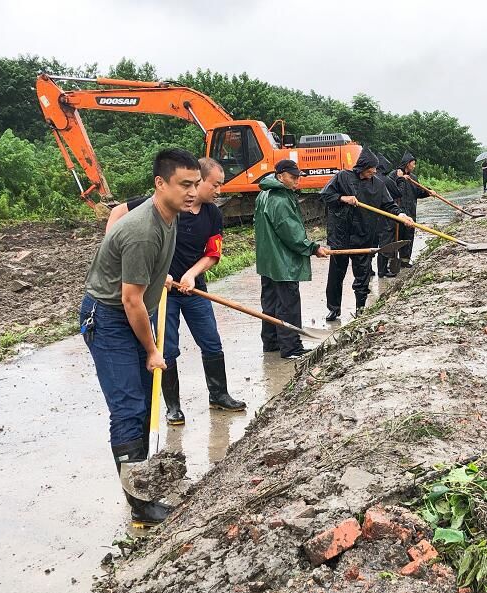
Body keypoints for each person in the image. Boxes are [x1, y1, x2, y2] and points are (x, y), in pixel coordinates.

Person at [80, 148, 200, 527]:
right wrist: (152, 350)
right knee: (130, 407)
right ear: (159, 183)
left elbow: (139, 284)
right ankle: (140, 507)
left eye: (196, 184)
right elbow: (130, 300)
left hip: (133, 312)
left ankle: (142, 484)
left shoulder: (169, 216)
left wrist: (155, 277)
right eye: (185, 184)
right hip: (112, 318)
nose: (192, 192)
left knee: (144, 404)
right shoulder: (142, 231)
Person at [106, 158, 246, 425]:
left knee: (211, 342)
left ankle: (219, 395)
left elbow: (213, 254)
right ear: (198, 181)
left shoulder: (212, 214)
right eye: (214, 185)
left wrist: (191, 274)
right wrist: (153, 272)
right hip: (162, 294)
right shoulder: (164, 204)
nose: (218, 191)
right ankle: (173, 407)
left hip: (194, 291)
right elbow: (117, 213)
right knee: (166, 348)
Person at [321, 147, 415, 321]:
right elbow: (325, 195)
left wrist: (401, 215)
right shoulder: (342, 177)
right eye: (371, 169)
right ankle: (334, 309)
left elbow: (389, 205)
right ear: (362, 167)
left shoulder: (378, 184)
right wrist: (343, 198)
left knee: (363, 273)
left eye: (375, 169)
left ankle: (360, 308)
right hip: (341, 236)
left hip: (364, 235)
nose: (373, 172)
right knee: (336, 275)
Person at [254, 159, 329, 359]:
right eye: (293, 177)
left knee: (269, 303)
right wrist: (313, 248)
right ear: (280, 177)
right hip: (282, 262)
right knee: (288, 303)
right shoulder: (279, 199)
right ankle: (291, 347)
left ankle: (271, 343)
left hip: (267, 260)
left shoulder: (264, 194)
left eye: (299, 177)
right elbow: (291, 233)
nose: (298, 181)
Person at [388, 151, 432, 268]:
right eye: (413, 163)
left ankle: (405, 260)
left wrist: (428, 192)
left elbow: (418, 192)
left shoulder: (413, 178)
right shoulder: (393, 175)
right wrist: (400, 179)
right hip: (397, 213)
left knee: (408, 236)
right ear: (407, 164)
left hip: (410, 212)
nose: (414, 166)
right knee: (395, 237)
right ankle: (391, 262)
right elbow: (388, 192)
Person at [374, 152, 402, 278]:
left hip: (371, 218)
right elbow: (397, 193)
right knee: (385, 244)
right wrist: (400, 179)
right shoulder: (386, 180)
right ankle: (382, 270)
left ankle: (368, 270)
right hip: (385, 217)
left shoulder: (371, 179)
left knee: (371, 245)